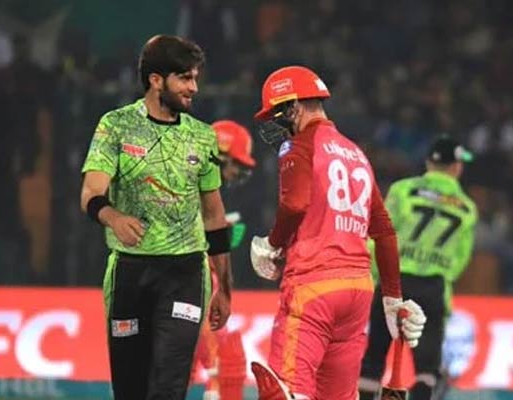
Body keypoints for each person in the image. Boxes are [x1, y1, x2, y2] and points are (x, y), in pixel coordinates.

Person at [247, 65, 427, 400]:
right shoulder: (356, 154)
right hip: (357, 292)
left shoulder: (298, 147)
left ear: (295, 107)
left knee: (287, 392)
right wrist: (392, 299)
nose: (275, 124)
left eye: (277, 114)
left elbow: (295, 205)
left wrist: (271, 245)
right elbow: (384, 231)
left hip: (313, 288)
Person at [80, 35, 233, 400]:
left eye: (195, 78)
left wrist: (225, 289)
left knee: (169, 384)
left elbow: (214, 215)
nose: (193, 88)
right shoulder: (115, 126)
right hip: (129, 274)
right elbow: (90, 192)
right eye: (184, 78)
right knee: (131, 388)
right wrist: (113, 216)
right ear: (156, 80)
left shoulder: (202, 136)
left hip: (185, 272)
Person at [359, 136, 478, 400]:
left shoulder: (403, 190)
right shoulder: (468, 209)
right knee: (427, 368)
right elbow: (460, 259)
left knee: (374, 358)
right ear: (457, 167)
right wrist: (439, 271)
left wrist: (378, 275)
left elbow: (380, 235)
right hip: (433, 288)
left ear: (428, 162)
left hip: (395, 281)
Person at [193, 120, 255, 400]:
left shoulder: (205, 191)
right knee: (221, 362)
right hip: (189, 282)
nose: (235, 175)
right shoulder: (194, 187)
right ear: (219, 155)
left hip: (192, 281)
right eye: (235, 166)